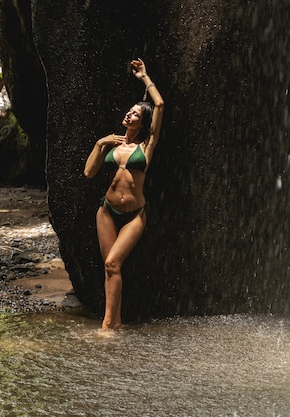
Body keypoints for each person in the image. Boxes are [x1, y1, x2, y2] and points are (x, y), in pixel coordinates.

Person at [84, 58, 164, 330]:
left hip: (134, 215)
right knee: (111, 268)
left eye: (136, 115)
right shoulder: (112, 144)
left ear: (142, 124)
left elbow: (160, 105)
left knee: (112, 262)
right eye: (129, 112)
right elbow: (89, 173)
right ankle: (114, 322)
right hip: (107, 211)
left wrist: (144, 77)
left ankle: (107, 326)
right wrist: (100, 142)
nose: (130, 115)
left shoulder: (146, 146)